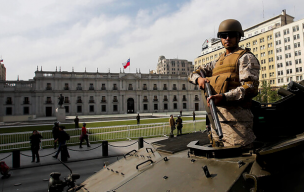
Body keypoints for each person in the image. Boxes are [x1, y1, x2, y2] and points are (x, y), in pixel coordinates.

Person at [188, 19, 260, 147]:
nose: (227, 38)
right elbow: (193, 74)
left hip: (237, 123)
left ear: (238, 37)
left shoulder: (245, 57)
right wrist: (198, 79)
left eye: (231, 35)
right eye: (223, 36)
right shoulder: (218, 62)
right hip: (216, 121)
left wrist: (224, 97)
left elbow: (250, 87)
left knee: (239, 161)